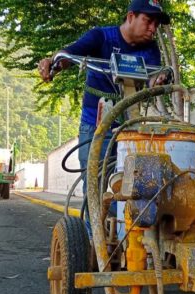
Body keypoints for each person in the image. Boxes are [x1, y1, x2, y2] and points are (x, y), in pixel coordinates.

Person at [37, 0, 170, 194]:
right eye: (148, 21)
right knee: (94, 187)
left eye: (156, 25)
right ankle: (94, 224)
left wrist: (159, 80)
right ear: (131, 16)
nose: (152, 29)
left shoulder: (150, 49)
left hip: (129, 126)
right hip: (95, 125)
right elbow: (69, 53)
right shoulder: (102, 36)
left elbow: (153, 78)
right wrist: (54, 63)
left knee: (132, 186)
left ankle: (121, 224)